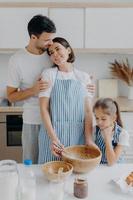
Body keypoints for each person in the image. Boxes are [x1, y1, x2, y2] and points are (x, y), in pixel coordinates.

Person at [7, 15, 56, 164]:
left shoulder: (52, 54)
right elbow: (11, 96)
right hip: (32, 120)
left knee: (54, 164)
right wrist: (33, 90)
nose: (51, 43)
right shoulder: (17, 60)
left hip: (56, 120)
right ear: (33, 37)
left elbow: (68, 71)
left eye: (52, 39)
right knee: (31, 164)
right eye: (46, 39)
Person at [38, 37, 95, 164]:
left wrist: (89, 139)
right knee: (51, 174)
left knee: (76, 173)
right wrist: (54, 139)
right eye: (51, 53)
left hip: (77, 136)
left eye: (58, 49)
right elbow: (43, 108)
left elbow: (88, 111)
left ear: (68, 50)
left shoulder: (84, 77)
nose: (55, 55)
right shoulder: (49, 74)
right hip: (52, 135)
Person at [93, 98, 129, 165]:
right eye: (97, 118)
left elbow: (111, 162)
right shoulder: (95, 130)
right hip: (100, 168)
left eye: (103, 119)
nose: (99, 122)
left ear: (114, 118)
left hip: (117, 168)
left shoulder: (122, 134)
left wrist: (107, 138)